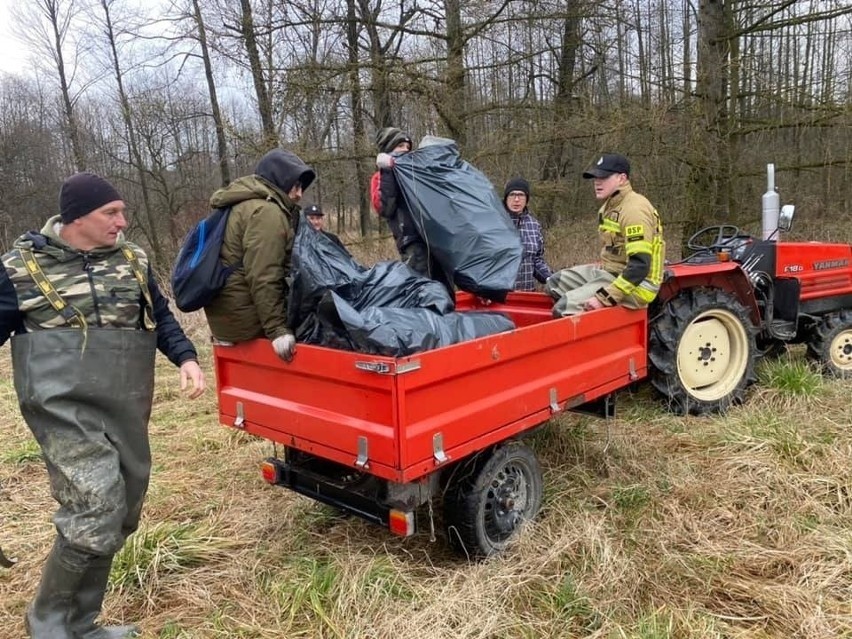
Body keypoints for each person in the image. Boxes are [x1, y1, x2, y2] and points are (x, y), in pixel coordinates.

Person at [0, 172, 205, 639]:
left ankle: (82, 624)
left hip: (124, 401)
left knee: (124, 508)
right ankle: (47, 623)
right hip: (61, 407)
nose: (122, 222)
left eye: (122, 212)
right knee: (97, 503)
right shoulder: (20, 268)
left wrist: (187, 359)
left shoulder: (132, 260)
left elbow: (160, 315)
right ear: (76, 218)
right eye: (110, 213)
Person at [203, 148, 315, 362]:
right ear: (281, 179)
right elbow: (264, 275)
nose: (300, 194)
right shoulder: (267, 212)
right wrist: (277, 330)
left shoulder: (243, 203)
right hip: (245, 320)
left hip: (228, 317)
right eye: (296, 185)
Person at [546, 153, 664, 316]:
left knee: (564, 307)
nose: (597, 182)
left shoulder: (634, 210)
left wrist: (604, 298)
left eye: (604, 177)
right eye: (595, 178)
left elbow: (639, 267)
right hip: (611, 272)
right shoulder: (608, 207)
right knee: (555, 283)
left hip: (638, 285)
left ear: (622, 179)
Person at [373, 127, 453, 295]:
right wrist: (387, 172)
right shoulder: (380, 177)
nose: (405, 151)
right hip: (412, 243)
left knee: (444, 289)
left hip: (436, 240)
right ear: (389, 149)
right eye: (400, 146)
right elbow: (385, 208)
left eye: (408, 147)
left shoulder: (418, 174)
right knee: (422, 292)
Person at [503, 177, 552, 291]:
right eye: (512, 195)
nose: (516, 199)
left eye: (521, 195)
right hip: (499, 296)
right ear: (506, 198)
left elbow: (535, 260)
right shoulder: (494, 223)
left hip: (527, 295)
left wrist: (550, 278)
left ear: (527, 199)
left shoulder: (534, 225)